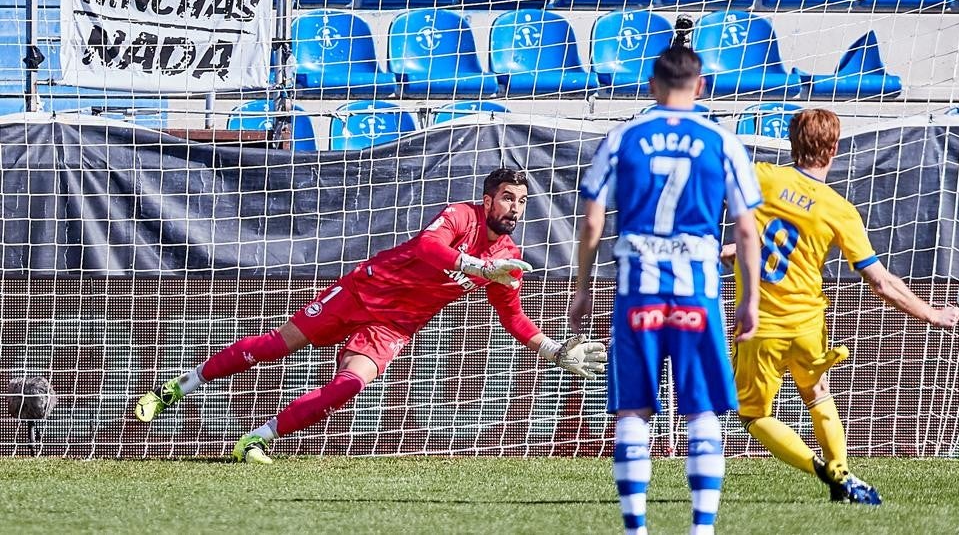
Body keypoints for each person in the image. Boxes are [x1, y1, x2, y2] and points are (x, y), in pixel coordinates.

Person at [135, 168, 606, 464]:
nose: (515, 209)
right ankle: (174, 388)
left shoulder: (509, 257)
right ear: (487, 200)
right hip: (362, 291)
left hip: (393, 327)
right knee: (275, 347)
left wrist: (551, 348)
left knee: (349, 387)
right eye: (507, 198)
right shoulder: (461, 216)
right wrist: (477, 266)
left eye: (522, 201)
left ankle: (255, 440)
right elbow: (428, 246)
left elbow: (512, 316)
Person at [721, 108, 959, 505]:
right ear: (834, 148)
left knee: (754, 416)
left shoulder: (761, 176)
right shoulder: (839, 209)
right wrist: (932, 313)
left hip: (761, 325)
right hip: (807, 325)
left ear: (791, 141)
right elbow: (881, 282)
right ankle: (841, 468)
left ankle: (821, 469)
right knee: (817, 392)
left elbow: (764, 233)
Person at [570, 45, 762, 535]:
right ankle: (701, 528)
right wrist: (750, 298)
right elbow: (745, 230)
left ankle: (636, 528)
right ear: (700, 87)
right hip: (697, 290)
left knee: (633, 407)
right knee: (702, 410)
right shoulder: (722, 141)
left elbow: (592, 219)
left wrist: (583, 286)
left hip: (638, 287)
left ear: (652, 86)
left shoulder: (622, 137)